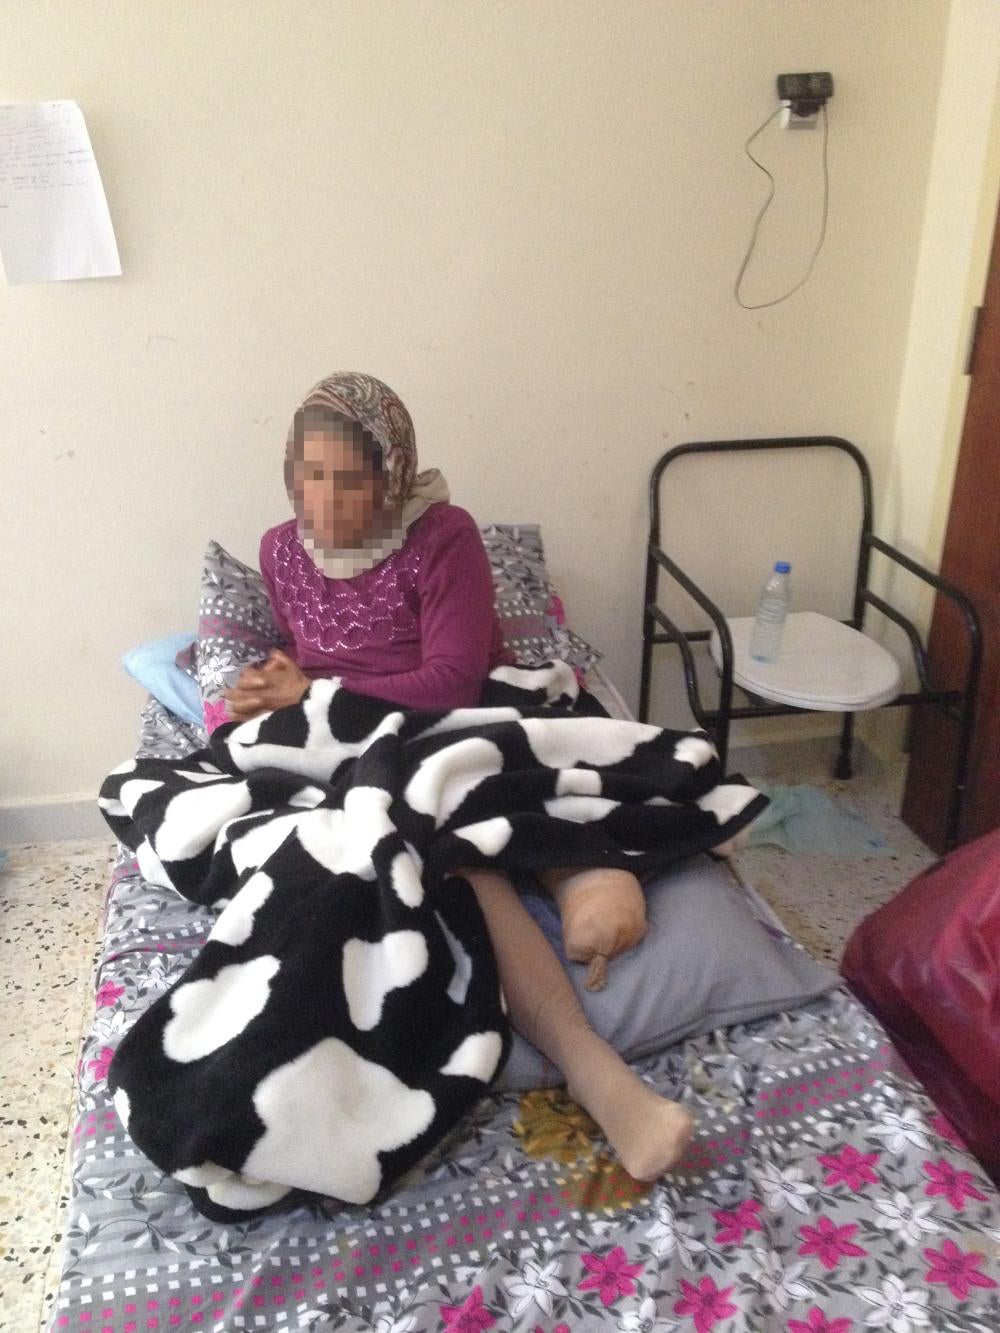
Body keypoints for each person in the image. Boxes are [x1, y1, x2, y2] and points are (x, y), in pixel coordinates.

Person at [224, 372, 694, 1181]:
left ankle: (582, 875)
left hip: (456, 715)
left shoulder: (444, 536)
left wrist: (319, 692)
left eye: (348, 479)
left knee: (498, 784)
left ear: (392, 475)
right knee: (442, 847)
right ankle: (597, 1074)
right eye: (309, 474)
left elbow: (452, 679)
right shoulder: (279, 551)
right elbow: (306, 653)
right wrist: (271, 686)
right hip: (357, 742)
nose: (322, 500)